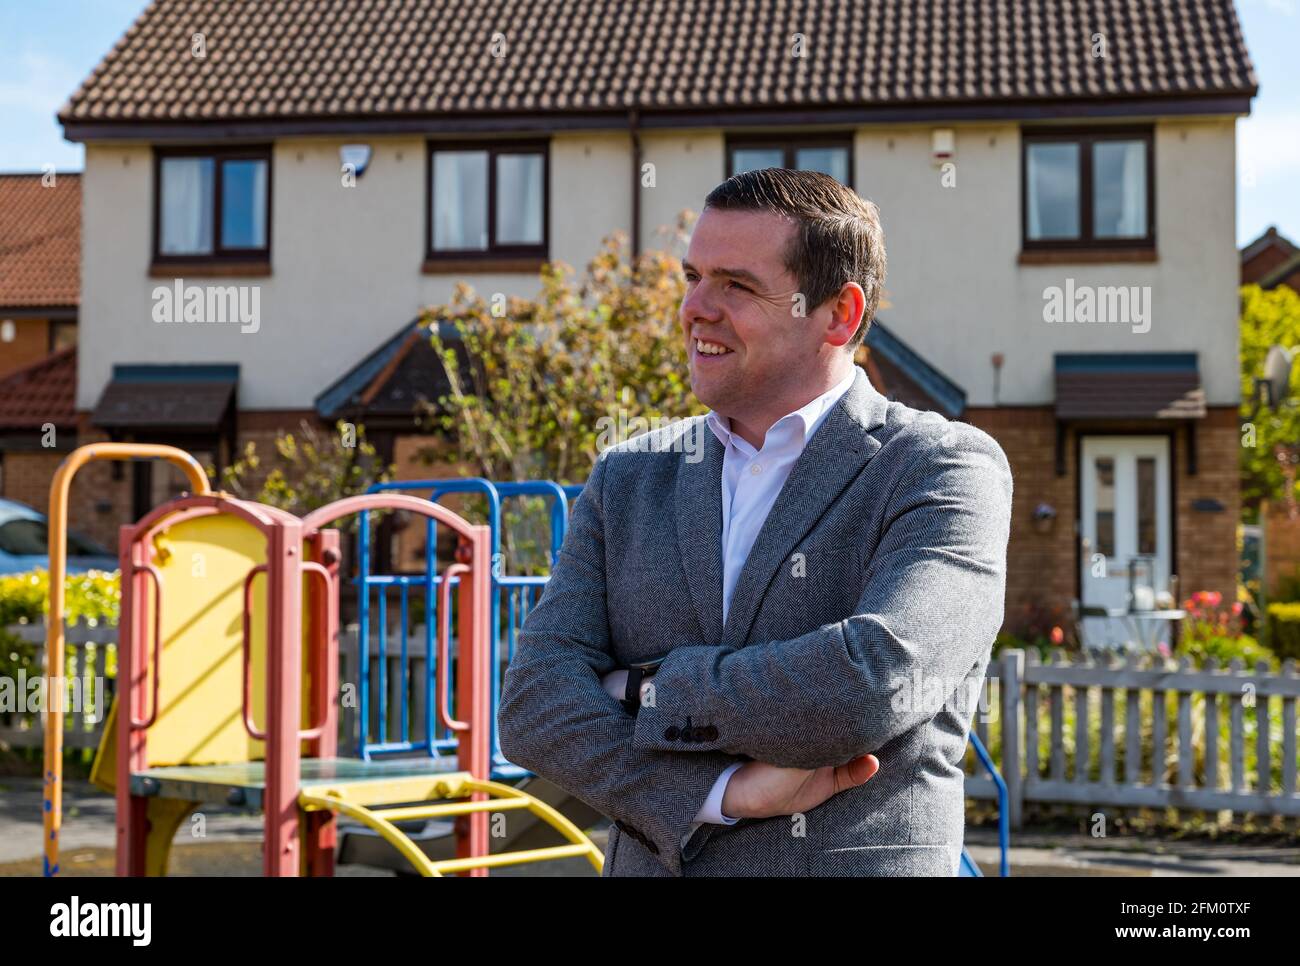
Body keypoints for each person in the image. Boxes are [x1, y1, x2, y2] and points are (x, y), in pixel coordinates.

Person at [498, 167, 1013, 876]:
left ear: (838, 313)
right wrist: (721, 793)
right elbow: (535, 702)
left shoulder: (940, 467)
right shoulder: (629, 475)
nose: (695, 308)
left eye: (736, 285)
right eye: (692, 276)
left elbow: (874, 680)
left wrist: (642, 689)